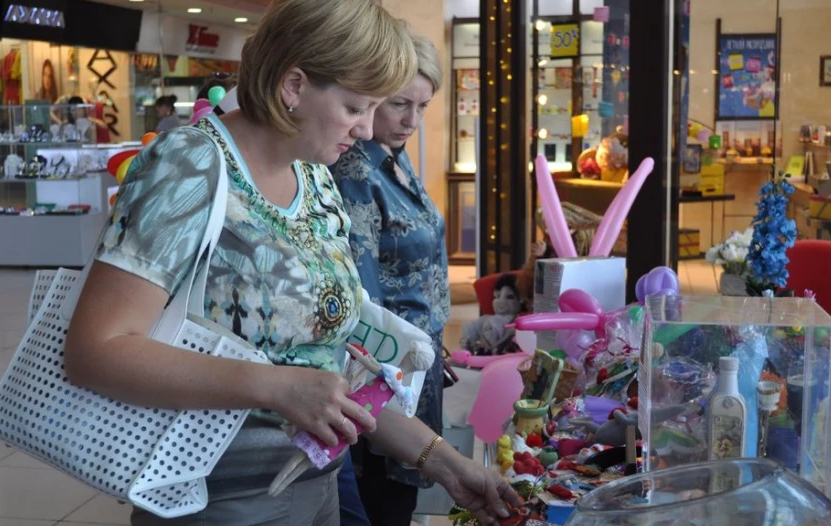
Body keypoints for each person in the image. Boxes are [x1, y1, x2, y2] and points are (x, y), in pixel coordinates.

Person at [63, 1, 520, 525]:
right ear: (294, 86)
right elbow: (95, 351)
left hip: (315, 484)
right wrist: (275, 386)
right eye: (355, 108)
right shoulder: (188, 166)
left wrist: (441, 460)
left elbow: (326, 362)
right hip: (216, 498)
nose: (369, 130)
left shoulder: (315, 175)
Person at [330, 32, 451, 526]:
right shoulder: (356, 168)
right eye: (400, 104)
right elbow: (365, 304)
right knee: (386, 505)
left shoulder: (392, 160)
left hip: (417, 363)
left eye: (422, 106)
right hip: (387, 376)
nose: (412, 121)